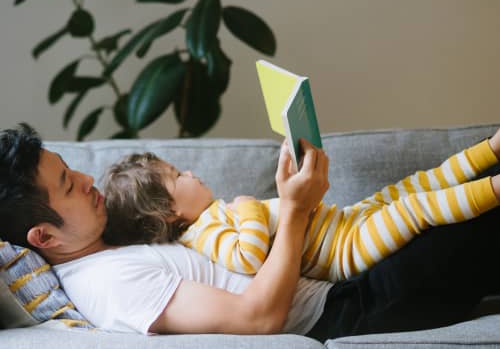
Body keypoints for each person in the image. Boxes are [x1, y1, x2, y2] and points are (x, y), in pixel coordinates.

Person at [1, 123, 500, 340]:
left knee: (447, 193)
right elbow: (258, 317)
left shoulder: (114, 245)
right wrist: (296, 210)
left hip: (350, 276)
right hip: (354, 311)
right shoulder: (107, 284)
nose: (89, 180)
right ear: (44, 236)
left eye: (73, 170)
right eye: (68, 185)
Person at [102, 132, 500, 283]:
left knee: (409, 187)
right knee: (413, 207)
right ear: (168, 212)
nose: (189, 172)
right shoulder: (201, 236)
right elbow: (250, 257)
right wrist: (247, 209)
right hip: (346, 251)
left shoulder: (211, 216)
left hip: (346, 222)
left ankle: (489, 149)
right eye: (177, 176)